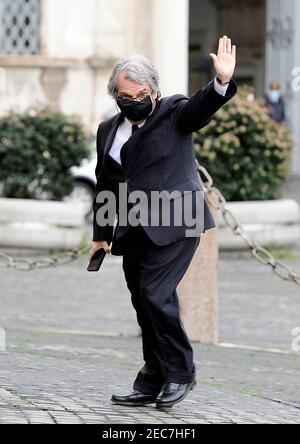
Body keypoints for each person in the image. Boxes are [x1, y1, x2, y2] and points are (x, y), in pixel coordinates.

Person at [89, 36, 237, 409]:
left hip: (176, 221)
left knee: (156, 295)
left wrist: (219, 83)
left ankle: (181, 373)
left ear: (153, 91)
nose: (133, 100)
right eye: (125, 95)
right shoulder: (108, 130)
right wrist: (101, 236)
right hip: (132, 228)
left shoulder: (173, 112)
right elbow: (106, 182)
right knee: (144, 303)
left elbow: (199, 110)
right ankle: (151, 379)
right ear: (115, 94)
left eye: (140, 94)